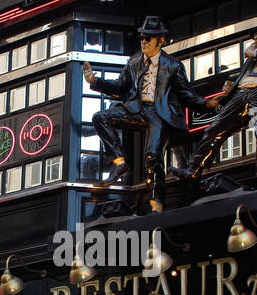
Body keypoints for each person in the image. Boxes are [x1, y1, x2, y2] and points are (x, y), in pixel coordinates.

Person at [82, 15, 216, 212]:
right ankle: (119, 162)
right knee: (100, 117)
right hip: (136, 110)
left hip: (159, 113)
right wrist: (95, 82)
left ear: (160, 40)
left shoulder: (173, 66)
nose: (143, 41)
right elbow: (121, 87)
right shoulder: (134, 61)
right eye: (142, 37)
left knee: (152, 156)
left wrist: (207, 104)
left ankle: (156, 203)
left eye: (148, 38)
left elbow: (186, 95)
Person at [173, 18, 257, 190]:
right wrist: (231, 88)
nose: (256, 37)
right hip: (242, 95)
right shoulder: (251, 59)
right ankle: (194, 169)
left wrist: (256, 51)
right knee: (215, 129)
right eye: (255, 34)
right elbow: (243, 77)